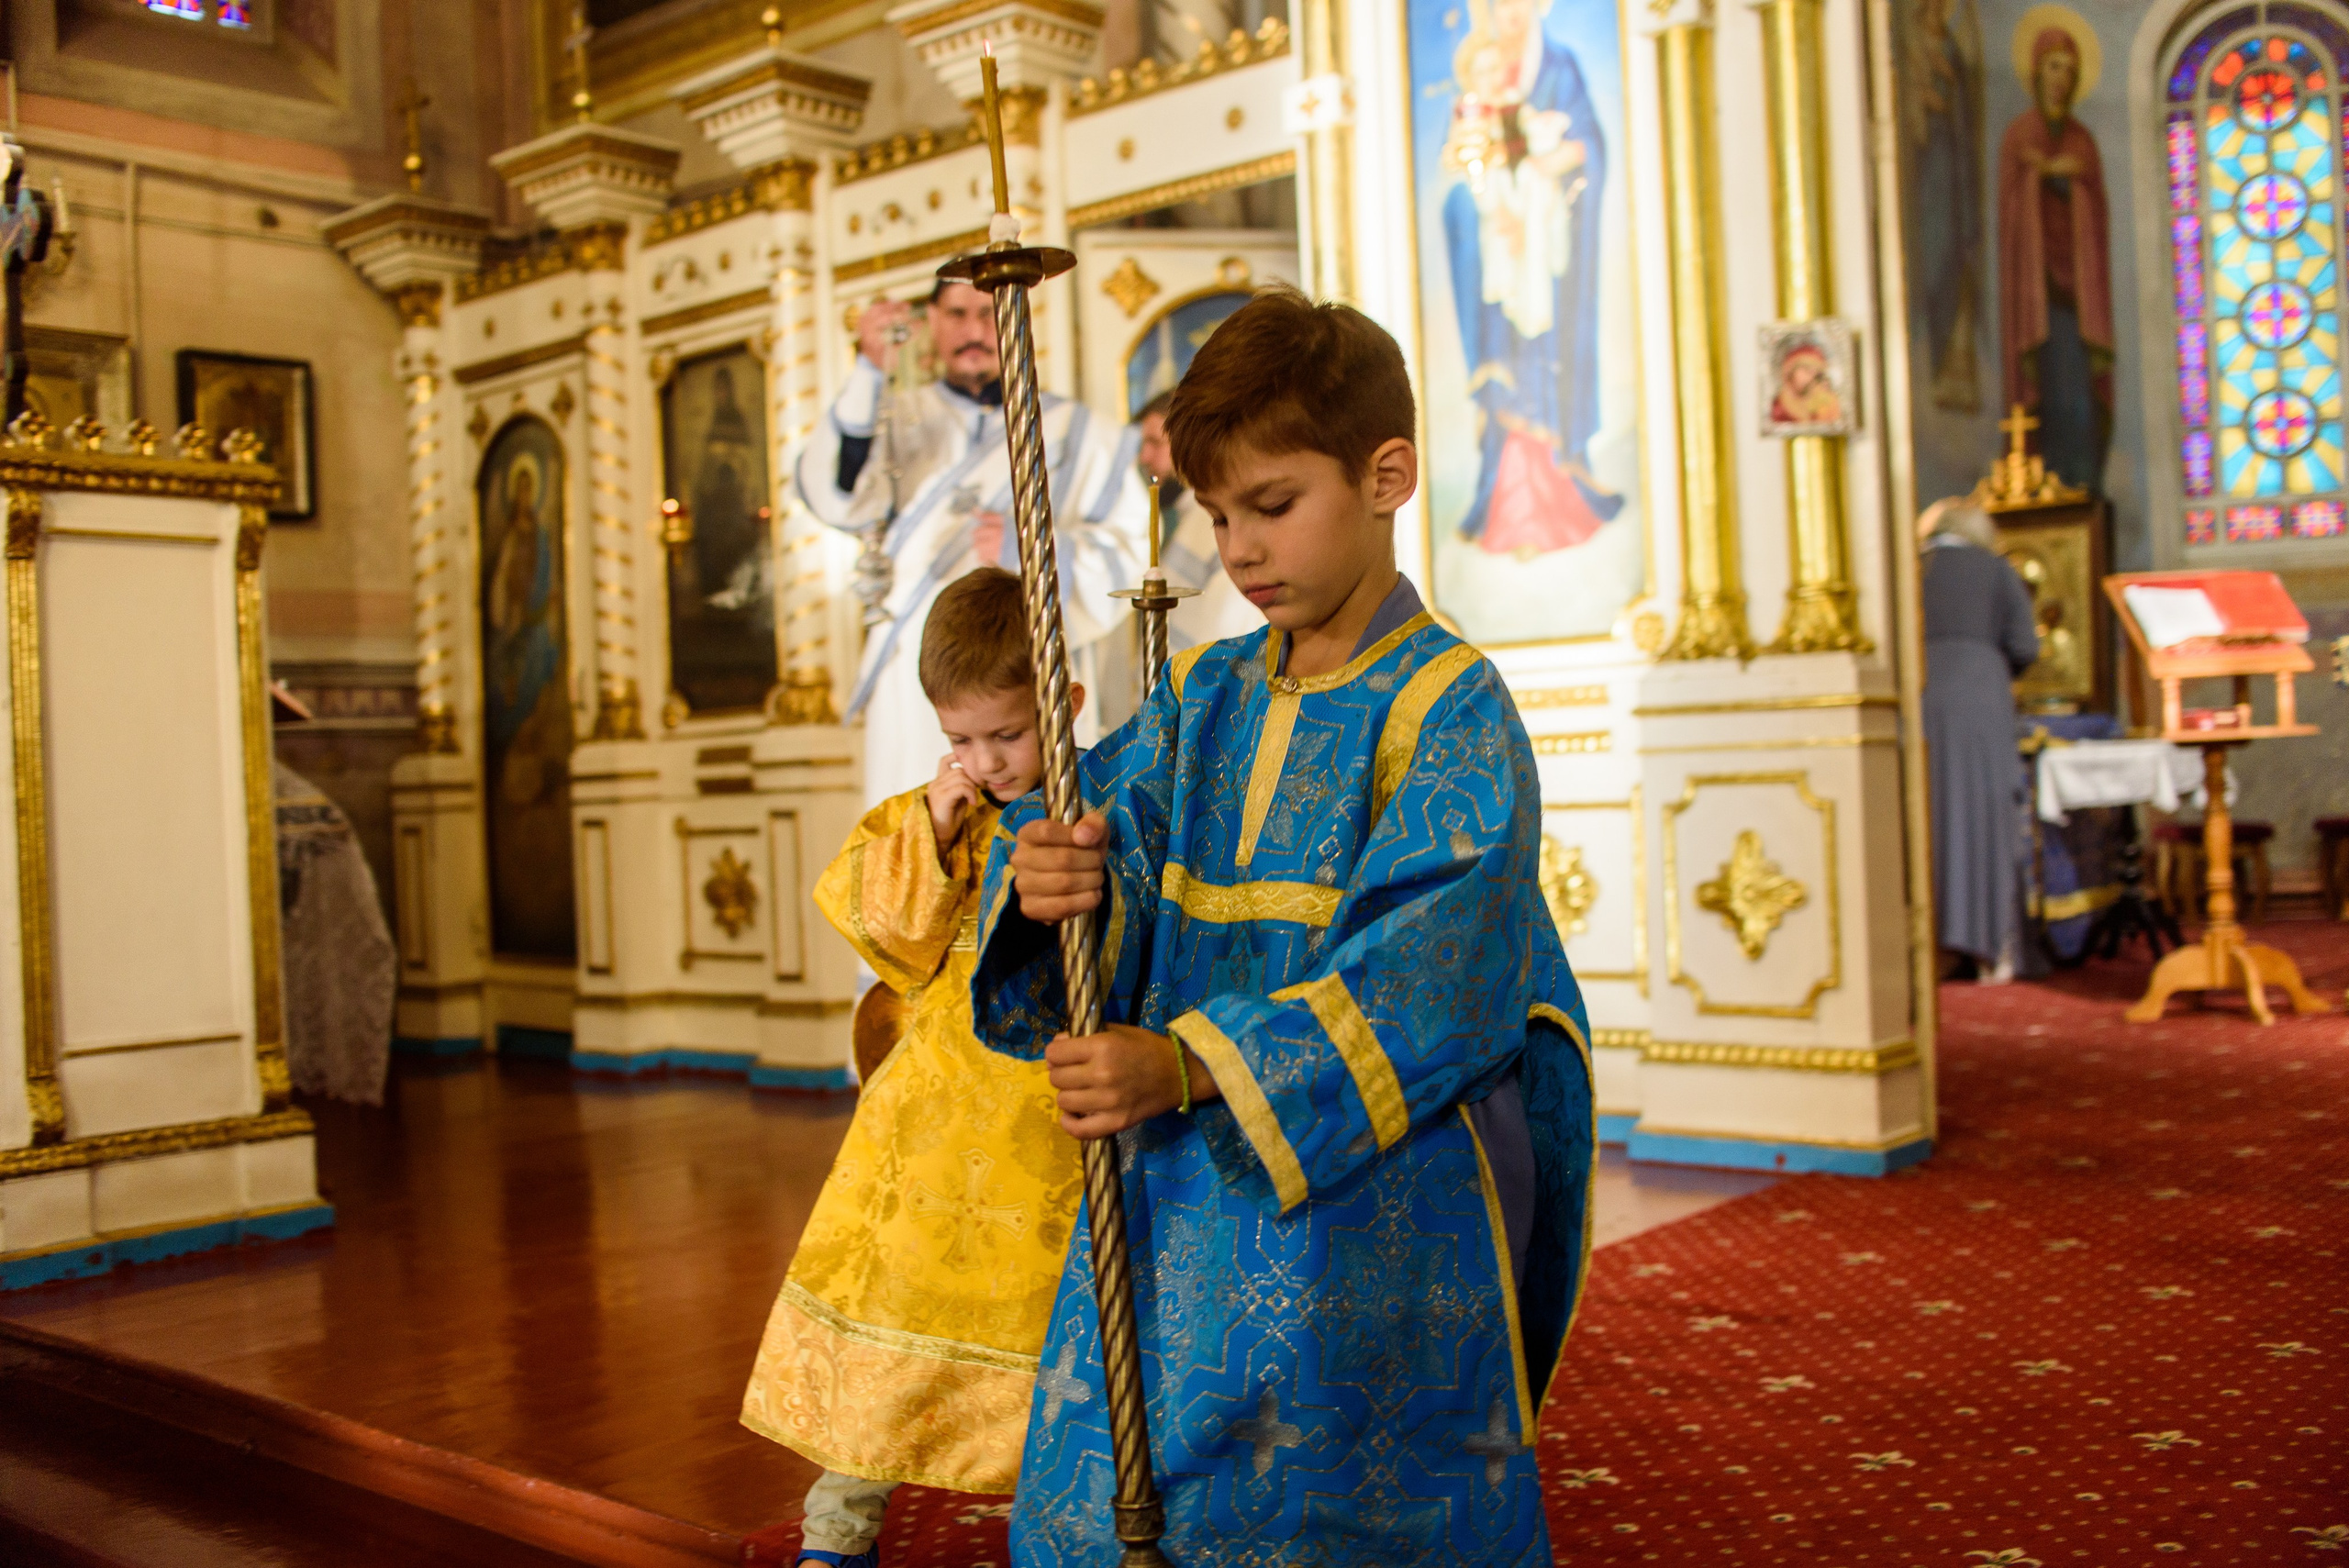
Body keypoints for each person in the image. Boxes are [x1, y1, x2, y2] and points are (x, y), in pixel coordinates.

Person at [974, 287, 1597, 1565]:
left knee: (1325, 1507)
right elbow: (1114, 845)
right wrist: (1052, 876)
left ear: (1387, 475)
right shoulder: (1208, 691)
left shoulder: (1449, 710)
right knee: (1120, 1501)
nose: (1240, 550)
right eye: (1215, 516)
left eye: (1272, 505)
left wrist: (1192, 1061)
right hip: (1166, 1193)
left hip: (1361, 1211)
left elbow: (1429, 979)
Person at [739, 570, 1084, 1568]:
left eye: (1007, 736)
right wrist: (931, 832)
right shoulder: (935, 813)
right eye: (960, 738)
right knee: (886, 1331)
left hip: (1049, 1127)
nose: (984, 761)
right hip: (928, 1136)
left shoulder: (1108, 801)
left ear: (1061, 702)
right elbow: (888, 936)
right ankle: (837, 1529)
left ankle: (1066, 1527)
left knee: (1060, 1344)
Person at [794, 277, 1149, 806]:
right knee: (924, 826)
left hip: (1025, 668)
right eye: (957, 314)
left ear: (1018, 321)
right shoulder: (896, 418)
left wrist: (1030, 550)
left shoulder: (1079, 433)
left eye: (989, 315)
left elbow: (1132, 552)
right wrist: (870, 372)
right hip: (921, 675)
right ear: (931, 321)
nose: (975, 332)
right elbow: (837, 495)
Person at [1439, 0, 1621, 556]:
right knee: (1506, 375)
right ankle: (1503, 499)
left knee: (1550, 359)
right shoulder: (1475, 100)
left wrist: (1545, 174)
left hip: (1548, 263)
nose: (1508, 13)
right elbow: (1465, 172)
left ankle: (1566, 476)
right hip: (1501, 267)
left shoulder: (1559, 69)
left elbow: (1588, 148)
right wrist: (1492, 212)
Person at [1920, 496, 2041, 981]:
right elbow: (2024, 645)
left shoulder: (1910, 570)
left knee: (1927, 817)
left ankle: (1931, 947)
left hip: (1920, 696)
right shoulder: (1995, 570)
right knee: (1985, 818)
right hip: (1981, 702)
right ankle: (1991, 950)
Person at [1998, 20, 2112, 490]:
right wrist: (2036, 178)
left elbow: (2096, 215)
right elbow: (2010, 212)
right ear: (2036, 72)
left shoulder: (2082, 142)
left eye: (2069, 68)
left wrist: (2068, 179)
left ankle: (2082, 487)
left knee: (2080, 405)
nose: (2060, 78)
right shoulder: (2019, 136)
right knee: (2049, 401)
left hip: (2076, 299)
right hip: (2037, 296)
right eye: (2052, 67)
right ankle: (2050, 486)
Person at [1133, 387, 1261, 648]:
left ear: (1190, 443)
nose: (1143, 457)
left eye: (1155, 443)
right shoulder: (1186, 518)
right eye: (1142, 444)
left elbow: (1225, 637)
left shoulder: (1220, 522)